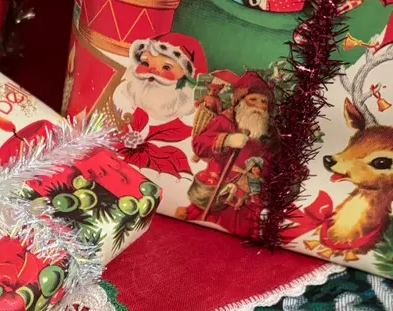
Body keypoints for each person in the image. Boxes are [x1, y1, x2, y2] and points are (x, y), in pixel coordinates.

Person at [176, 71, 273, 237]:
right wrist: (226, 140)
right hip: (217, 190)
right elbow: (199, 144)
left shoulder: (267, 132)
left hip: (247, 196)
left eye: (263, 101)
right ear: (240, 101)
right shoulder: (225, 120)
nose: (258, 105)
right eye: (253, 100)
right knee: (202, 230)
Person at [113, 33, 207, 122]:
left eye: (166, 67)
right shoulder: (120, 99)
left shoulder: (187, 120)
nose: (152, 71)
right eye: (145, 63)